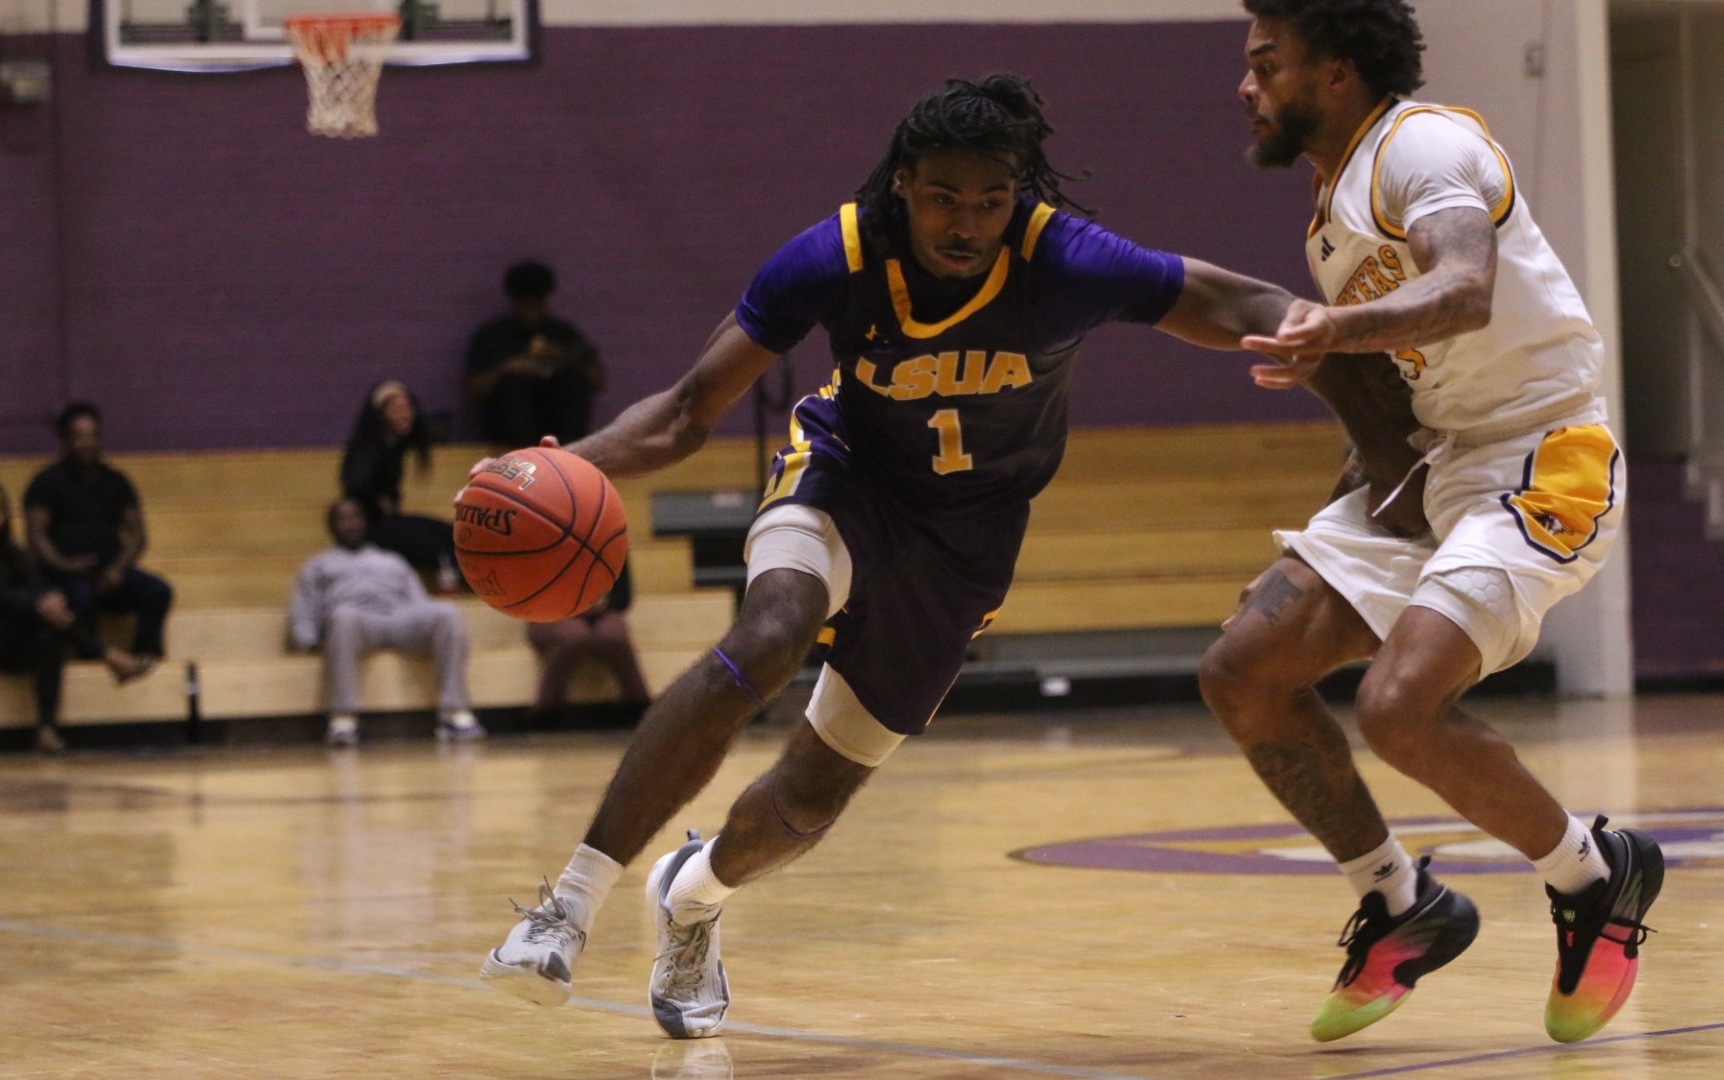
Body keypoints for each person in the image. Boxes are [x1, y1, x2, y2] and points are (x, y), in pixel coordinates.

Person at [478, 73, 1420, 1038]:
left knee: (810, 795)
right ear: (902, 189)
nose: (965, 223)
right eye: (942, 198)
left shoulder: (1067, 258)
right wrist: (563, 465)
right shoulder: (836, 255)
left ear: (1020, 195)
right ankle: (567, 906)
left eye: (989, 201)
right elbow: (684, 412)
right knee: (769, 634)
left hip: (968, 538)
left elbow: (1245, 303)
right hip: (848, 475)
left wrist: (1354, 385)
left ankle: (696, 892)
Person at [1200, 0, 1662, 1046]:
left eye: (1266, 62)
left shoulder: (1424, 145)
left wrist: (1342, 326)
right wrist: (1345, 425)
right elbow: (1398, 381)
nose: (1247, 85)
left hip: (1543, 456)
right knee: (1243, 668)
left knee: (1400, 707)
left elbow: (1465, 289)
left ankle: (1596, 875)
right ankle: (1400, 899)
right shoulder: (1332, 214)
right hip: (1439, 466)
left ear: (1334, 71)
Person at [288, 498, 485, 747]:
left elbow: (418, 602)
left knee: (446, 612)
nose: (350, 524)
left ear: (365, 522)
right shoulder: (317, 565)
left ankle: (455, 714)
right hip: (356, 622)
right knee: (342, 617)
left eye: (355, 517)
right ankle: (343, 719)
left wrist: (425, 622)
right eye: (342, 519)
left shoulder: (392, 560)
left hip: (398, 617)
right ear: (332, 527)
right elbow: (303, 608)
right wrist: (307, 640)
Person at [0, 480, 149, 754]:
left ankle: (47, 730)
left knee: (50, 636)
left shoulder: (10, 550)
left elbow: (35, 580)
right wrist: (37, 605)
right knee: (45, 618)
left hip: (13, 636)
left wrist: (49, 598)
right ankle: (109, 656)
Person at [22, 403, 172, 674]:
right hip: (63, 576)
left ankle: (143, 657)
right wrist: (64, 565)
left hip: (110, 575)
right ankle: (92, 663)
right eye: (78, 436)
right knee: (81, 596)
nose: (86, 443)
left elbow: (137, 534)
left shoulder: (117, 481)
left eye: (93, 435)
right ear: (65, 439)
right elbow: (36, 535)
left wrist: (117, 568)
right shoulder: (46, 481)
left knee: (158, 591)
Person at [466, 261, 605, 447]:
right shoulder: (493, 336)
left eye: (536, 304)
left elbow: (597, 382)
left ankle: (569, 451)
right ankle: (528, 451)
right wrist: (507, 368)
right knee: (515, 386)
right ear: (515, 302)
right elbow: (475, 390)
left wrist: (564, 358)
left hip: (560, 427)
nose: (531, 310)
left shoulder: (562, 333)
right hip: (510, 433)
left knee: (571, 380)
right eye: (526, 304)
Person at [340, 381, 460, 588]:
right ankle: (455, 575)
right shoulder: (366, 449)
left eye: (407, 408)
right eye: (396, 409)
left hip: (390, 520)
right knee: (428, 541)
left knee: (449, 531)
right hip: (373, 527)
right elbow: (357, 488)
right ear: (380, 415)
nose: (405, 414)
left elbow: (430, 428)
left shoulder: (396, 444)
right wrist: (378, 501)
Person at [525, 571, 649, 728]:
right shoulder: (537, 550)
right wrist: (577, 606)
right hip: (549, 614)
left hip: (601, 612)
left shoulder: (613, 546)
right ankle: (547, 711)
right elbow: (530, 596)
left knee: (614, 636)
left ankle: (640, 709)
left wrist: (604, 603)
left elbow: (623, 596)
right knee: (575, 637)